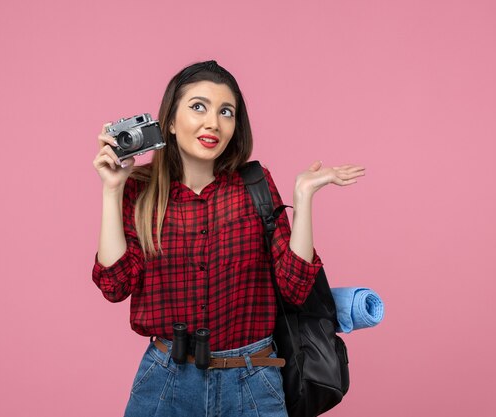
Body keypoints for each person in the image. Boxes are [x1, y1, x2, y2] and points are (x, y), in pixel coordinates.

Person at [91, 60, 365, 417]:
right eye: (198, 107)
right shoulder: (140, 192)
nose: (213, 123)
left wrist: (303, 198)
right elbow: (115, 285)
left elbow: (295, 288)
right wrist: (112, 190)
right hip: (164, 382)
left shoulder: (255, 185)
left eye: (226, 112)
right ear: (170, 122)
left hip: (252, 380)